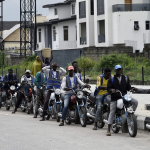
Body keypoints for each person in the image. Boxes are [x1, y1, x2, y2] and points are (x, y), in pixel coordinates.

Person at [106, 65, 138, 136]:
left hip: (124, 96)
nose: (119, 71)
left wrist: (132, 88)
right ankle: (108, 129)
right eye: (117, 70)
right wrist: (111, 90)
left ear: (121, 70)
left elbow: (128, 87)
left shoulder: (125, 78)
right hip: (115, 97)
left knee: (135, 102)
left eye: (120, 69)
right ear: (115, 70)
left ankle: (130, 116)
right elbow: (108, 89)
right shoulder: (111, 79)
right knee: (112, 111)